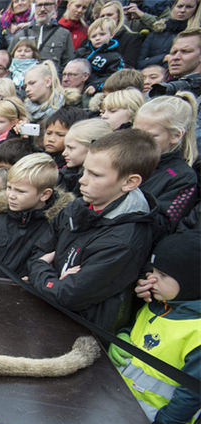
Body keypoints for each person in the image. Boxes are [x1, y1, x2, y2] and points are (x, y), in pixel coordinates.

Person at [29, 129, 160, 333]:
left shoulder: (125, 240)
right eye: (85, 170)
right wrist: (51, 277)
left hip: (82, 330)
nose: (82, 179)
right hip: (48, 313)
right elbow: (37, 252)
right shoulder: (76, 207)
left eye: (95, 175)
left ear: (129, 182)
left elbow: (67, 295)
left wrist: (42, 272)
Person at [108, 230, 201, 424]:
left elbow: (192, 392)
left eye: (162, 275)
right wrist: (123, 336)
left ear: (192, 282)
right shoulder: (157, 306)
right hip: (121, 411)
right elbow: (140, 338)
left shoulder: (197, 330)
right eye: (153, 271)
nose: (151, 280)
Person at [0, 152, 72, 278]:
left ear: (45, 194)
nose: (11, 195)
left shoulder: (56, 227)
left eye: (20, 191)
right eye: (9, 187)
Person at [133, 94, 199, 238]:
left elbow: (163, 226)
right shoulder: (127, 157)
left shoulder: (183, 177)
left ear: (176, 136)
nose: (139, 140)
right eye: (136, 132)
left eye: (151, 136)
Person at [8, 0, 75, 72]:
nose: (42, 9)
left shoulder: (63, 34)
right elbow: (8, 62)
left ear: (55, 7)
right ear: (33, 7)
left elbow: (68, 65)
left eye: (47, 4)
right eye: (39, 5)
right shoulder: (21, 35)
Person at [137, 0, 200, 68]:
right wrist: (163, 57)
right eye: (179, 6)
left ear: (196, 10)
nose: (183, 10)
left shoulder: (197, 35)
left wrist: (153, 59)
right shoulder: (157, 31)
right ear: (172, 7)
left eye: (189, 7)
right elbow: (140, 64)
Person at [59, 118, 114, 194]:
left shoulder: (95, 185)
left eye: (70, 148)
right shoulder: (65, 173)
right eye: (65, 147)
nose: (64, 153)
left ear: (92, 148)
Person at [75, 17, 124, 94]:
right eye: (93, 36)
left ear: (111, 35)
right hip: (75, 87)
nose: (97, 38)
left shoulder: (115, 57)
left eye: (102, 34)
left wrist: (96, 86)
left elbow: (113, 78)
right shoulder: (81, 52)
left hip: (97, 91)